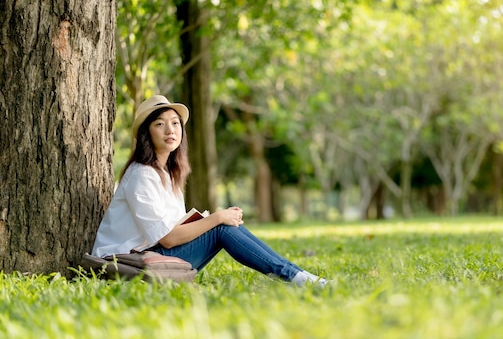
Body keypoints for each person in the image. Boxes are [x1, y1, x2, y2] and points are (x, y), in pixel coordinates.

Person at [91, 95, 329, 287]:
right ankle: (296, 277)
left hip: (152, 256)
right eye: (159, 124)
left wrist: (214, 219)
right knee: (220, 227)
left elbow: (173, 230)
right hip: (125, 264)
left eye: (175, 123)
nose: (170, 130)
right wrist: (216, 219)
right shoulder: (141, 174)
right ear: (147, 133)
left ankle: (295, 275)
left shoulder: (167, 173)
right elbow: (169, 238)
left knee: (224, 224)